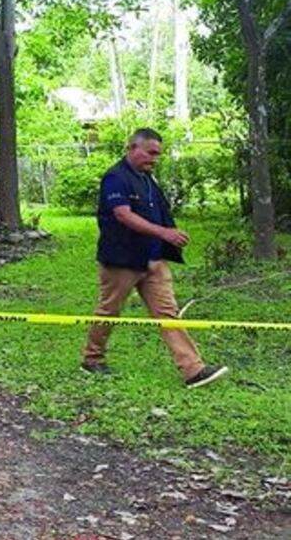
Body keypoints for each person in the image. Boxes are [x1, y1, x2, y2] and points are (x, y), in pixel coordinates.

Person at [81, 128, 228, 389]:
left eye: (158, 154)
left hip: (154, 260)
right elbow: (123, 215)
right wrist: (165, 233)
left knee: (168, 314)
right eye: (150, 153)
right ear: (132, 148)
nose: (154, 159)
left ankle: (193, 370)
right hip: (122, 260)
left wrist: (165, 239)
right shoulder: (115, 178)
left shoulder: (148, 180)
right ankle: (92, 359)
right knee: (109, 311)